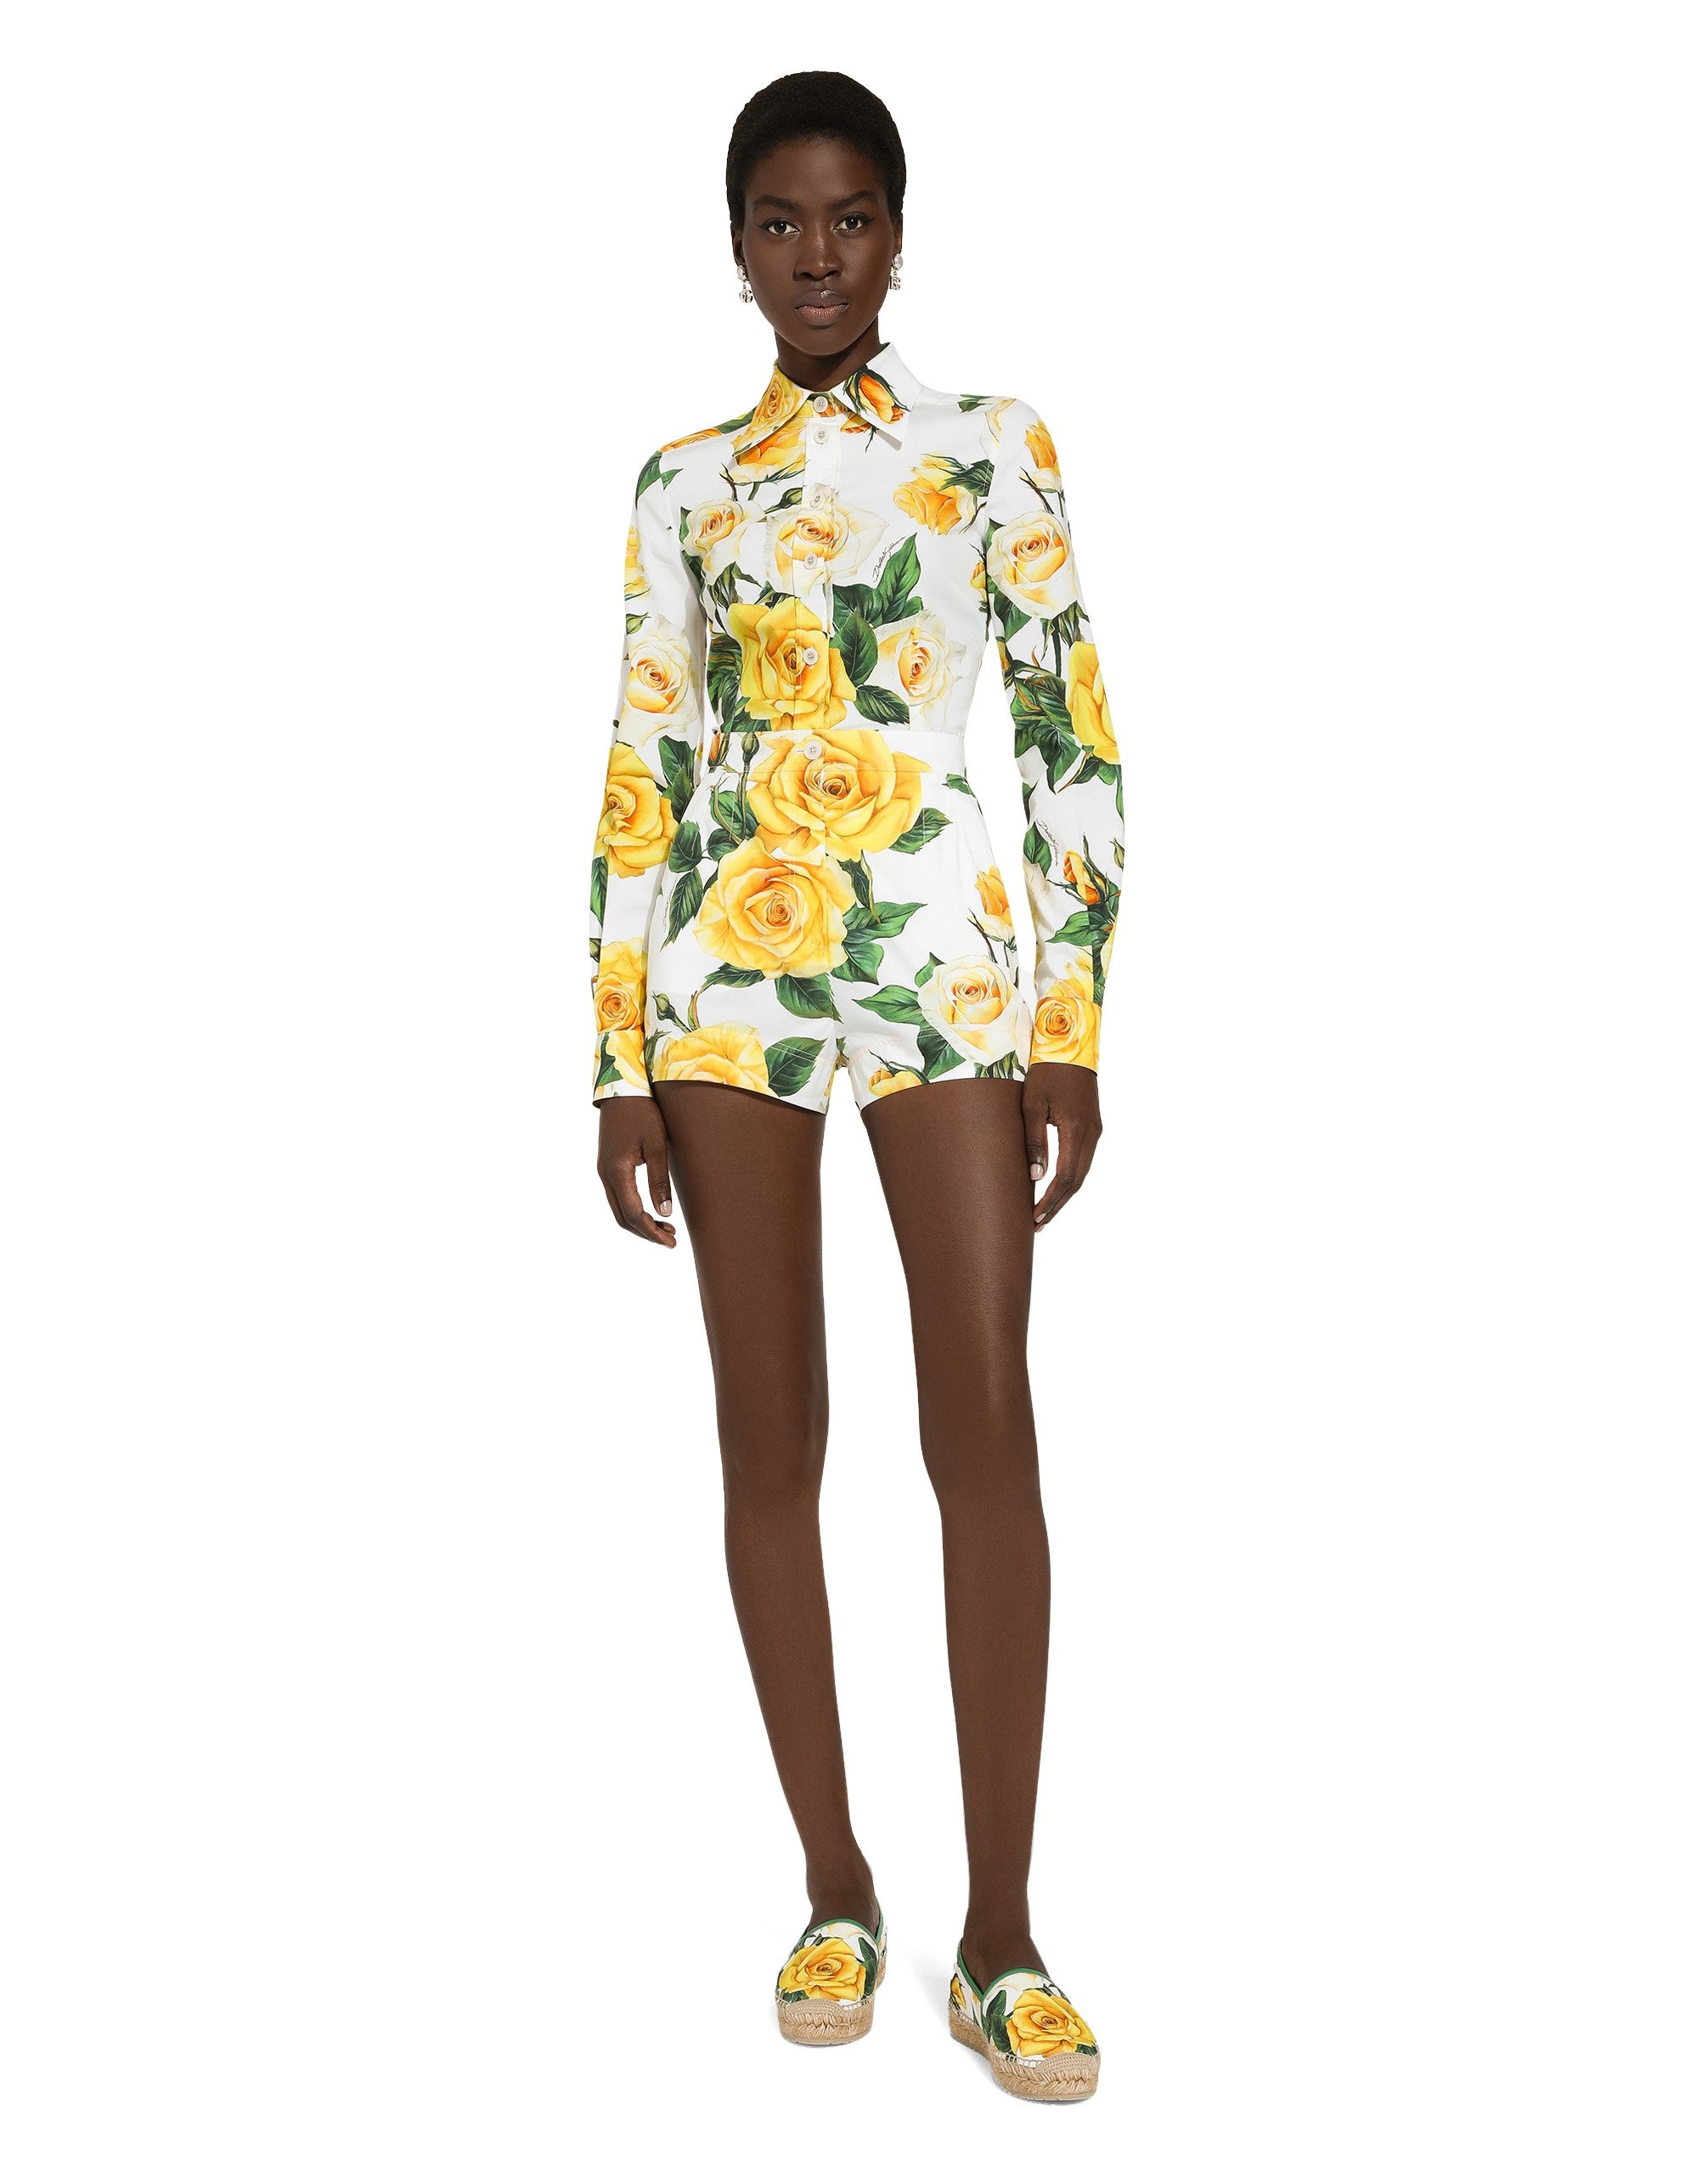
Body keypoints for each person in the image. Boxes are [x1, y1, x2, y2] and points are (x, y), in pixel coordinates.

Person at [588, 70, 1121, 2103]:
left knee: (984, 1421)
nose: (816, 254)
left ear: (899, 233)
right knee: (769, 1439)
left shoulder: (993, 447)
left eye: (850, 217)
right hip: (725, 981)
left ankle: (1003, 1937)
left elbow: (1069, 736)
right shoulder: (679, 483)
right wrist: (615, 1050)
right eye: (778, 221)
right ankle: (835, 1887)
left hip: (941, 961)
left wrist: (1070, 1018)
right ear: (736, 247)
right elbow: (644, 760)